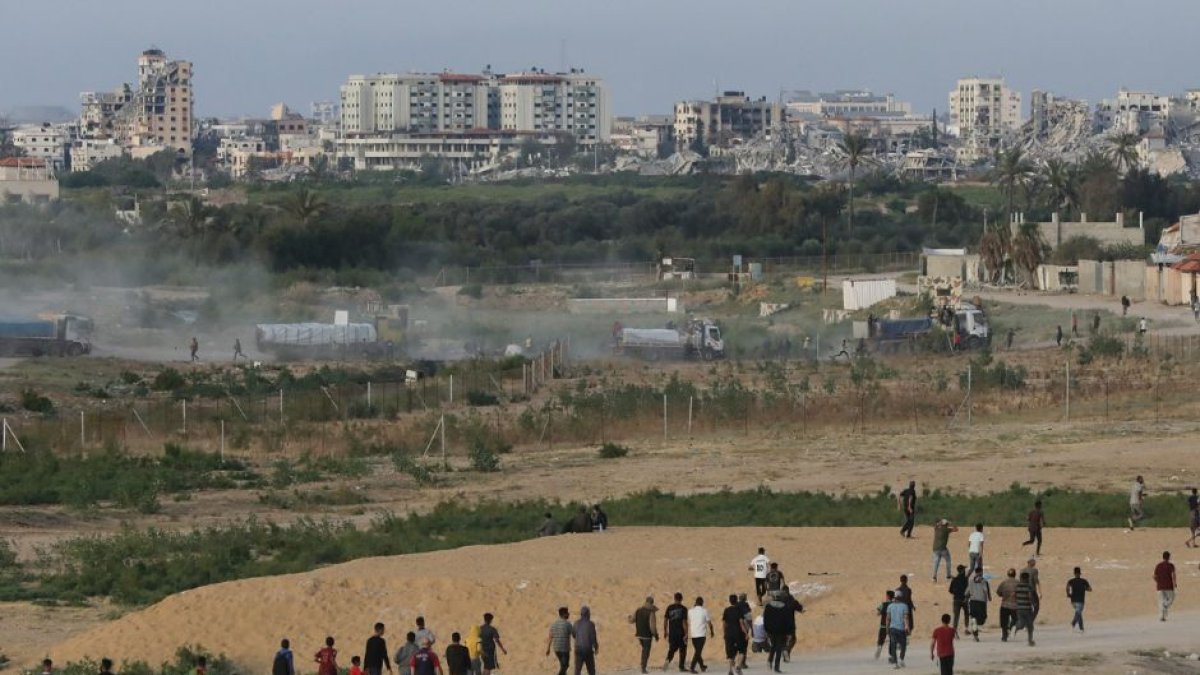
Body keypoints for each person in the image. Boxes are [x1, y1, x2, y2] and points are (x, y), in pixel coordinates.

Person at [762, 591, 791, 674]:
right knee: (779, 648)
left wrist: (766, 630)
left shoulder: (768, 606)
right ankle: (776, 667)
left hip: (771, 630)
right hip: (781, 630)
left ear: (774, 597)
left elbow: (765, 619)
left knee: (773, 646)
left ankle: (769, 661)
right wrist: (788, 632)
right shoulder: (784, 607)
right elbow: (787, 621)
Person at [721, 594, 748, 675]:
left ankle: (730, 670)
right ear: (736, 601)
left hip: (729, 633)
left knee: (730, 653)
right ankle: (738, 666)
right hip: (738, 633)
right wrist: (746, 633)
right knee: (742, 650)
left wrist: (724, 633)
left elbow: (724, 623)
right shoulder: (739, 610)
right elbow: (741, 623)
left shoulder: (726, 610)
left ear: (730, 601)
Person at [632, 596, 659, 674]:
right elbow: (652, 627)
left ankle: (642, 664)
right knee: (646, 651)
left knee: (644, 650)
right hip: (647, 636)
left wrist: (628, 617)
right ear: (652, 603)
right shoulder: (651, 613)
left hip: (639, 634)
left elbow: (632, 620)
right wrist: (656, 635)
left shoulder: (638, 610)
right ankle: (643, 668)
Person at [663, 592, 689, 672]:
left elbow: (665, 620)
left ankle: (666, 663)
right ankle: (681, 667)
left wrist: (665, 631)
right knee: (683, 650)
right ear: (681, 599)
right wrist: (686, 633)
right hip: (681, 633)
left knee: (672, 649)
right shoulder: (684, 609)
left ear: (674, 598)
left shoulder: (669, 607)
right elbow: (684, 622)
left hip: (672, 633)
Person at [886, 588, 911, 669]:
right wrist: (907, 627)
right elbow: (906, 618)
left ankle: (896, 664)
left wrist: (887, 628)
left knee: (893, 645)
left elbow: (888, 619)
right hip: (901, 629)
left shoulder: (890, 606)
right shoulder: (904, 606)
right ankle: (901, 659)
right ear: (900, 597)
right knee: (903, 645)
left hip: (892, 629)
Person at [688, 596, 714, 674]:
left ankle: (702, 666)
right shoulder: (704, 611)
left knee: (697, 651)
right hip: (701, 634)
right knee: (698, 652)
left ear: (695, 602)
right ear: (702, 603)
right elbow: (709, 623)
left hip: (693, 634)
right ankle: (692, 667)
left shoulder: (690, 611)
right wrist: (712, 631)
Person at [966, 567, 991, 642]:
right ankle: (976, 630)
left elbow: (967, 591)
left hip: (973, 601)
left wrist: (966, 597)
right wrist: (988, 598)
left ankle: (975, 634)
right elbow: (985, 591)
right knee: (982, 618)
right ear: (980, 572)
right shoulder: (983, 581)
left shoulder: (970, 580)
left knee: (973, 617)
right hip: (981, 602)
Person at [573, 605, 599, 675]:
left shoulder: (576, 623)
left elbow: (574, 635)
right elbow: (593, 638)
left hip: (578, 649)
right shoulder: (591, 624)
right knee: (591, 670)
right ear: (587, 614)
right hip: (588, 649)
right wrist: (596, 648)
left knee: (577, 670)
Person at [547, 606, 573, 675]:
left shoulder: (554, 624)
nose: (569, 614)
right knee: (566, 665)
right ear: (564, 614)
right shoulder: (568, 624)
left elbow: (550, 637)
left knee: (563, 665)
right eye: (567, 613)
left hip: (556, 649)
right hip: (564, 649)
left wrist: (548, 648)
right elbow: (573, 634)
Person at [995, 568, 1019, 642]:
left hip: (1004, 605)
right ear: (1015, 574)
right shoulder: (1018, 583)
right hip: (1015, 605)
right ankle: (1010, 628)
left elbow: (998, 592)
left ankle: (1004, 636)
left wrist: (1003, 595)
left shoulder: (1004, 582)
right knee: (1015, 619)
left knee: (1004, 621)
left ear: (1008, 574)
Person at [1066, 567, 1093, 632]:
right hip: (1080, 600)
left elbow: (1067, 587)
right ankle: (1073, 623)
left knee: (1079, 613)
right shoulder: (1084, 581)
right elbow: (1090, 589)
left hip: (1073, 600)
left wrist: (1068, 594)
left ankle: (1081, 628)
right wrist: (1084, 588)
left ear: (1074, 573)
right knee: (1078, 613)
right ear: (1080, 573)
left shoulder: (1071, 581)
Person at [1014, 572, 1036, 646]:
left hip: (1019, 608)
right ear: (1027, 578)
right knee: (1030, 625)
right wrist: (1033, 604)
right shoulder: (1029, 587)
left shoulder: (1017, 586)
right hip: (1027, 608)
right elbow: (1030, 597)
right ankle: (1030, 640)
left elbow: (1014, 596)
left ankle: (1016, 627)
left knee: (1022, 623)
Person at [1154, 551, 1177, 621]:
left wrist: (1158, 582)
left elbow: (1154, 576)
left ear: (1163, 557)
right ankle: (1165, 606)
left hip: (1159, 586)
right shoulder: (1171, 565)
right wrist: (1175, 583)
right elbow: (1173, 575)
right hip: (1169, 586)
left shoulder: (1158, 565)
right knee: (1171, 598)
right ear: (1169, 557)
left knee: (1161, 601)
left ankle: (1162, 617)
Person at [948, 565, 969, 634]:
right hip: (964, 599)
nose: (965, 571)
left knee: (956, 616)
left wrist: (956, 592)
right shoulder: (965, 579)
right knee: (966, 614)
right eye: (964, 569)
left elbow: (950, 590)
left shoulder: (954, 579)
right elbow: (968, 589)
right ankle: (966, 629)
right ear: (962, 571)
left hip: (956, 599)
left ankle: (955, 631)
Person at [874, 590, 894, 661]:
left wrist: (881, 612)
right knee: (892, 640)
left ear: (888, 596)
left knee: (881, 639)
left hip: (883, 625)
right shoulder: (894, 605)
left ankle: (879, 647)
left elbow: (878, 613)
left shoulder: (883, 604)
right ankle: (892, 654)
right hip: (892, 626)